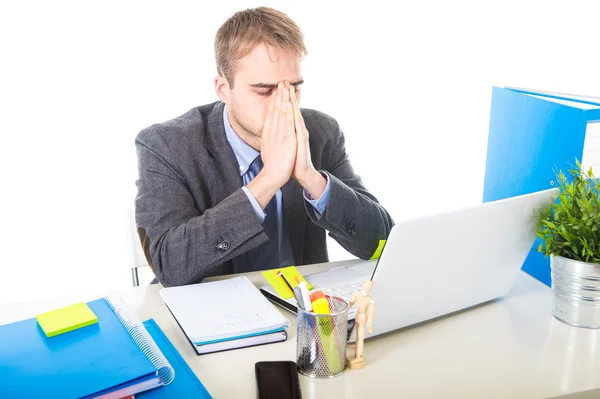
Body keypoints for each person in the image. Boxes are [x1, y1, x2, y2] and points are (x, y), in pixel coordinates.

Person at [134, 6, 394, 287]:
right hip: (216, 312)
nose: (284, 103)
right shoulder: (166, 145)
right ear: (223, 89)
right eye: (264, 90)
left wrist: (311, 177)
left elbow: (381, 242)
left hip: (301, 307)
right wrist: (268, 180)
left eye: (293, 87)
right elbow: (169, 266)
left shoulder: (320, 132)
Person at [347, 281, 376, 369]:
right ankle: (357, 348)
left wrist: (369, 325)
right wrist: (346, 309)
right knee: (357, 336)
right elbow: (350, 303)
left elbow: (371, 315)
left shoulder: (370, 301)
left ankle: (359, 356)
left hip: (362, 318)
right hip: (358, 316)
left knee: (360, 338)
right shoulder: (357, 295)